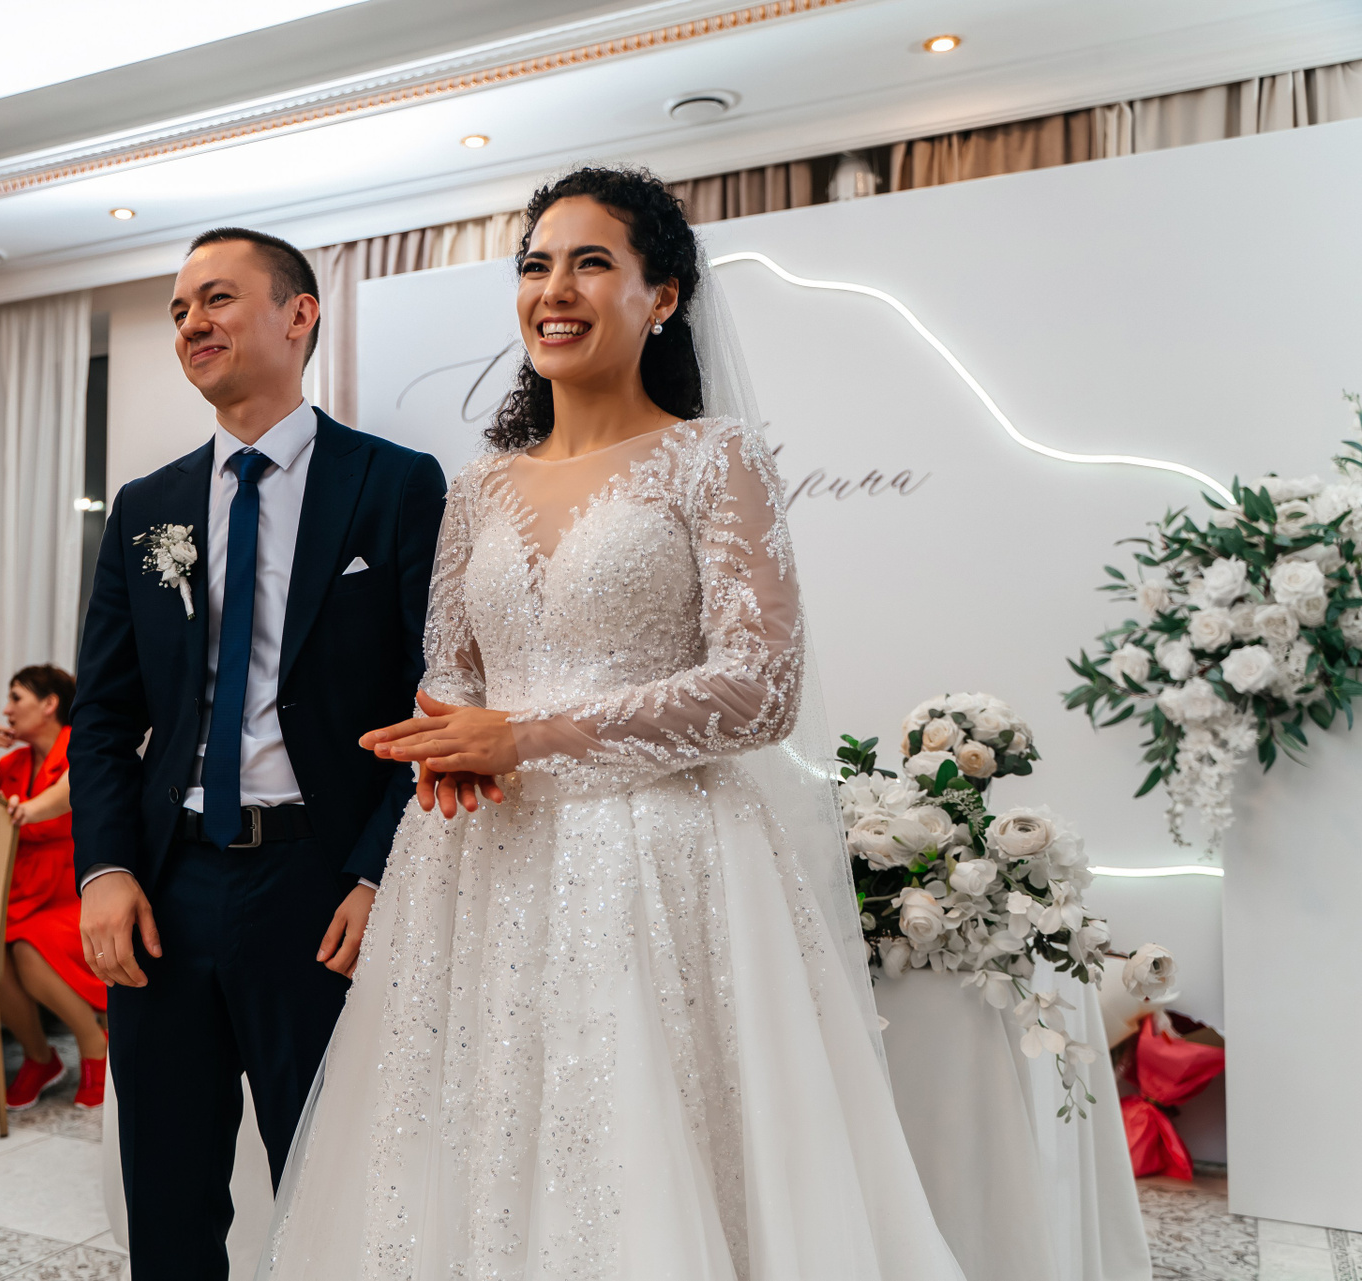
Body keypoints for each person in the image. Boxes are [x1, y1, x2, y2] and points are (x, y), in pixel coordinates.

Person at [255, 169, 966, 1278]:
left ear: (662, 296)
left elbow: (761, 686)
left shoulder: (714, 458)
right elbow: (451, 673)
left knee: (637, 1148)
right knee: (471, 1152)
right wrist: (447, 745)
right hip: (478, 864)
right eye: (537, 265)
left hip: (659, 858)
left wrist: (524, 736)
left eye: (592, 263)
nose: (556, 289)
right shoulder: (478, 488)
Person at [70, 226, 446, 1277]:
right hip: (167, 885)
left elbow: (437, 700)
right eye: (179, 309)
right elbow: (102, 714)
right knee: (168, 1198)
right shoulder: (147, 510)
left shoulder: (395, 485)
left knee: (337, 1194)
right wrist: (105, 869)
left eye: (218, 298)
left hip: (320, 889)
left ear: (298, 314)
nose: (192, 322)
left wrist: (378, 874)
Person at [0, 665, 108, 1109]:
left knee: (27, 947)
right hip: (19, 889)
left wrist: (24, 810)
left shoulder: (79, 747)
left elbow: (69, 792)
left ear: (49, 704)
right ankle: (39, 1057)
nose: (6, 710)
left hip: (70, 888)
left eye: (16, 698)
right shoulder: (13, 763)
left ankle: (94, 1045)